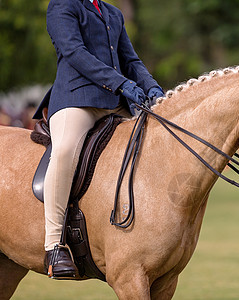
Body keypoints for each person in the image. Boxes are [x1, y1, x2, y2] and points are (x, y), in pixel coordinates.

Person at [33, 0, 164, 279]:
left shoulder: (112, 13)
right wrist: (121, 83)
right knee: (65, 151)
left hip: (116, 103)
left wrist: (151, 86)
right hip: (77, 100)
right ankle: (54, 246)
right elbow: (74, 52)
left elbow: (130, 60)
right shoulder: (63, 6)